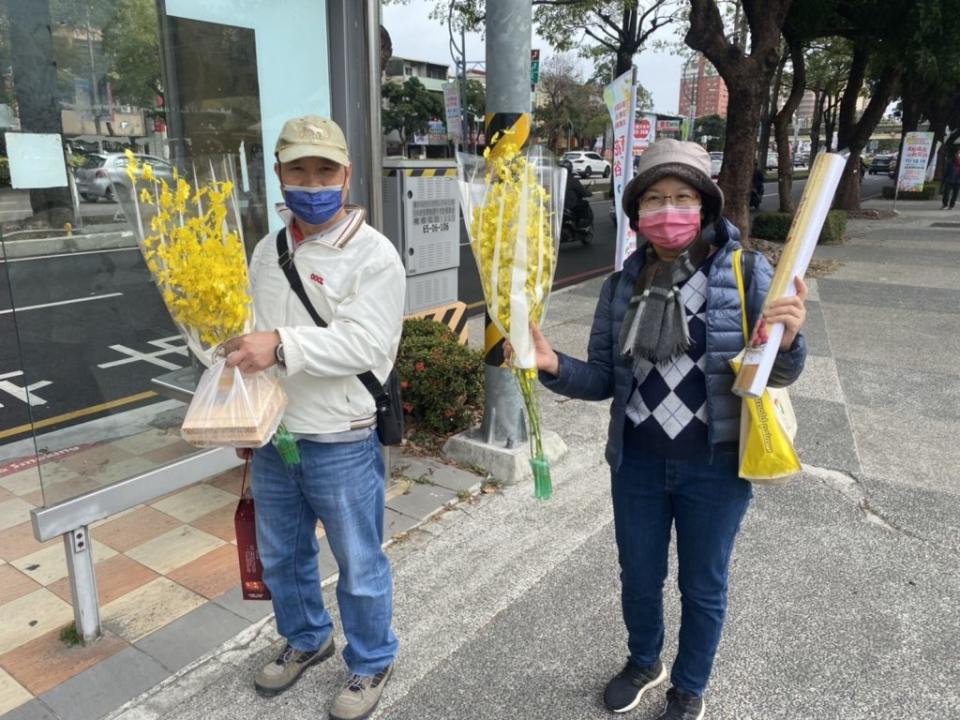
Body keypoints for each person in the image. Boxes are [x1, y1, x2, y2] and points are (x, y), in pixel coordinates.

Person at [521, 139, 808, 720]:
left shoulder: (746, 271)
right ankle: (643, 662)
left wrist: (792, 337)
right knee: (639, 577)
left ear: (705, 206)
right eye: (655, 198)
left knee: (703, 585)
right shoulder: (620, 286)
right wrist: (552, 365)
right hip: (638, 465)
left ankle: (689, 684)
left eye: (681, 196)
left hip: (716, 465)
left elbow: (777, 371)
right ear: (637, 213)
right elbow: (603, 378)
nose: (668, 210)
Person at [222, 116, 405, 720]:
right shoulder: (266, 250)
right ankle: (306, 638)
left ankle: (372, 660)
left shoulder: (373, 256)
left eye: (324, 170)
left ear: (346, 175)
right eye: (298, 169)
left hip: (341, 439)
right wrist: (224, 357)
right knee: (282, 554)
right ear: (278, 174)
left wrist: (278, 345)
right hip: (276, 433)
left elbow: (366, 345)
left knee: (358, 561)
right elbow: (248, 332)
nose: (311, 181)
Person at [560, 158, 594, 229]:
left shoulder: (557, 179)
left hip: (558, 205)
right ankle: (579, 225)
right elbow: (582, 191)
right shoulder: (572, 180)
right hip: (570, 205)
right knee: (585, 203)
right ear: (570, 169)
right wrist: (588, 193)